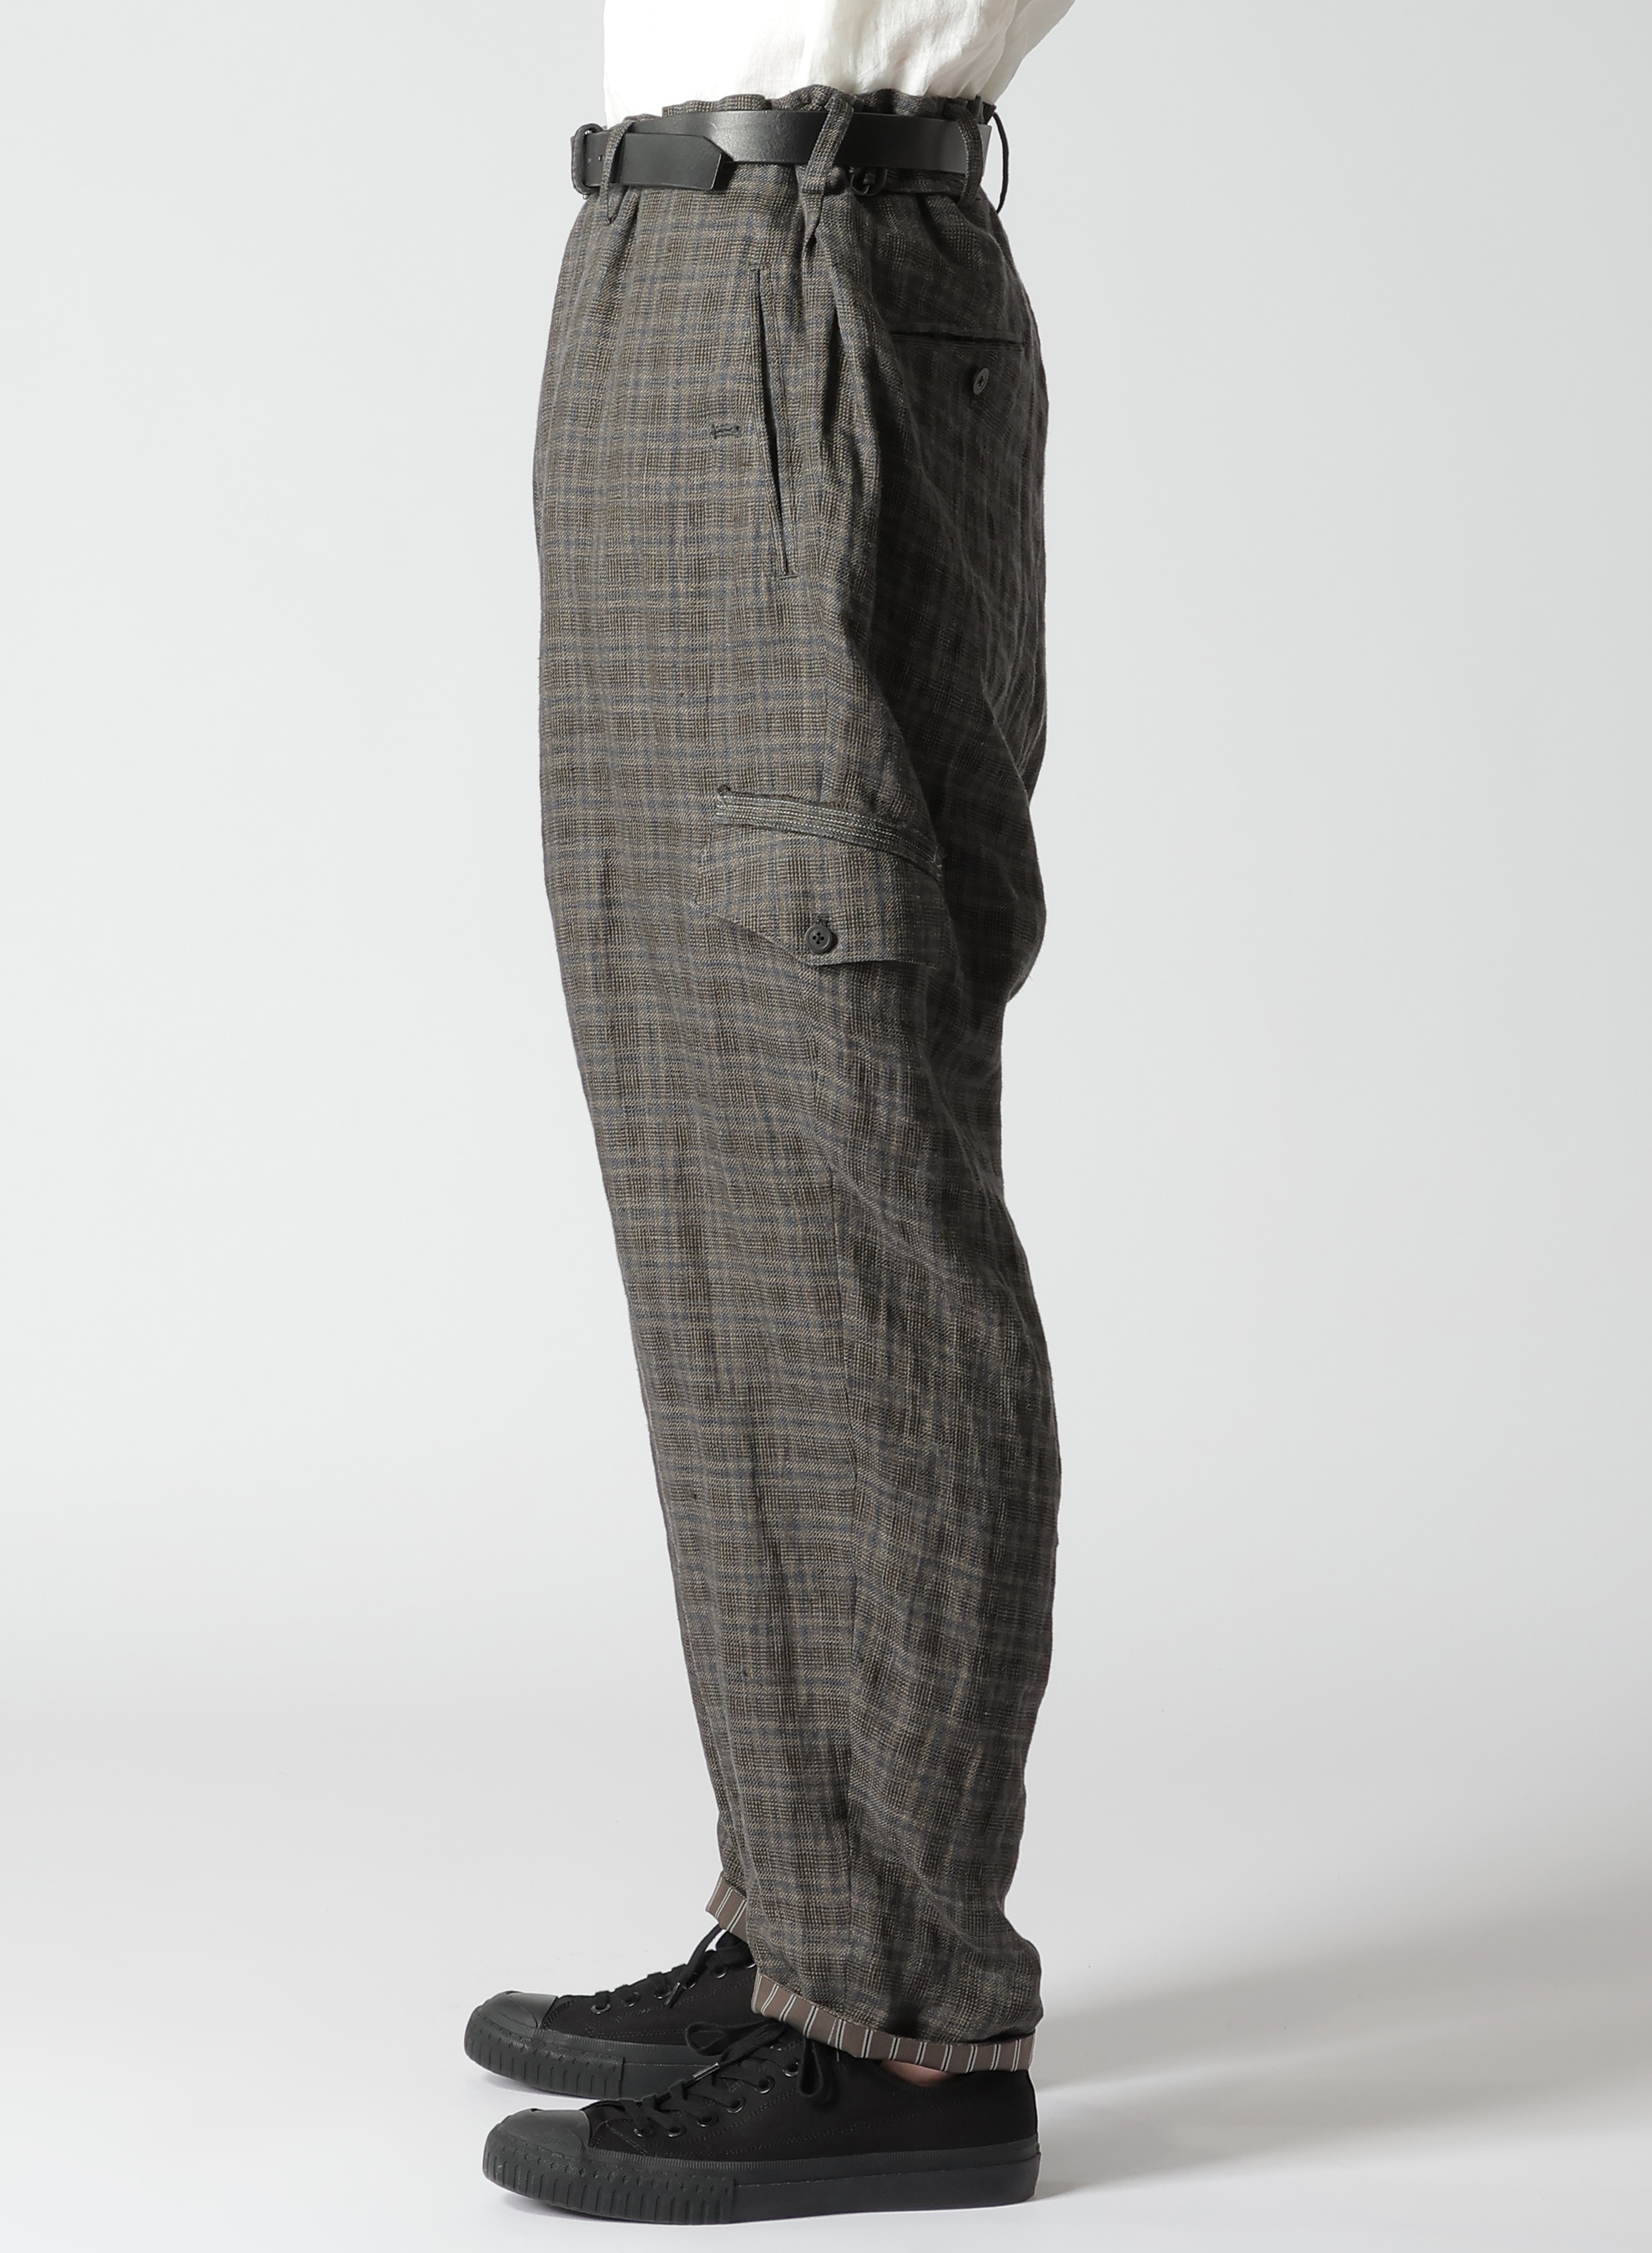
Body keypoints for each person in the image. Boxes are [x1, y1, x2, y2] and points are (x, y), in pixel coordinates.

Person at [466, 0, 1074, 2222]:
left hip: (799, 249)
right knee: (725, 1141)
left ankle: (898, 2015)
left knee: (837, 1163)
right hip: (682, 265)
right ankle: (808, 1914)